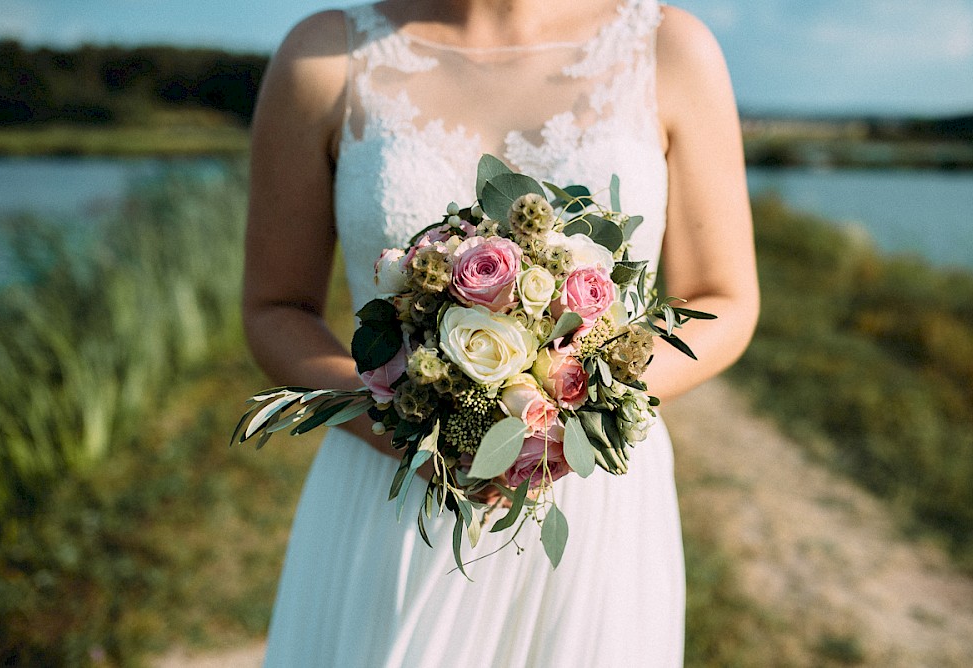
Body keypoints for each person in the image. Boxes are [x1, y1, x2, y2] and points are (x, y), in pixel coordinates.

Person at [243, 0, 758, 665]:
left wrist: (571, 417)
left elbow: (725, 298)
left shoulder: (670, 49)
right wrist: (407, 429)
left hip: (591, 499)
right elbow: (275, 308)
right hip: (392, 488)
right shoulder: (324, 58)